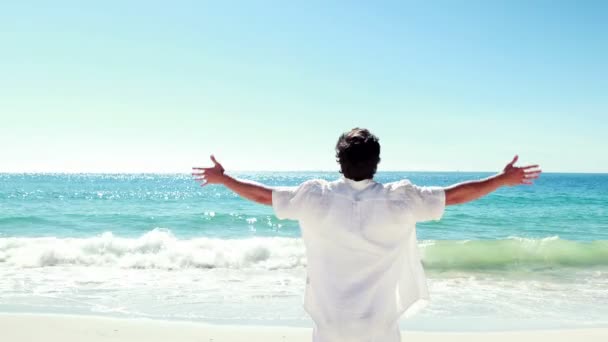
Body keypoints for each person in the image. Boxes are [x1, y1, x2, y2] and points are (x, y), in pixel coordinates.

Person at [192, 127, 541, 342]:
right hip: (379, 329)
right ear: (377, 162)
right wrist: (501, 179)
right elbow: (456, 195)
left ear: (339, 162)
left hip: (330, 328)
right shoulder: (400, 200)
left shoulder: (316, 198)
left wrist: (224, 179)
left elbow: (262, 195)